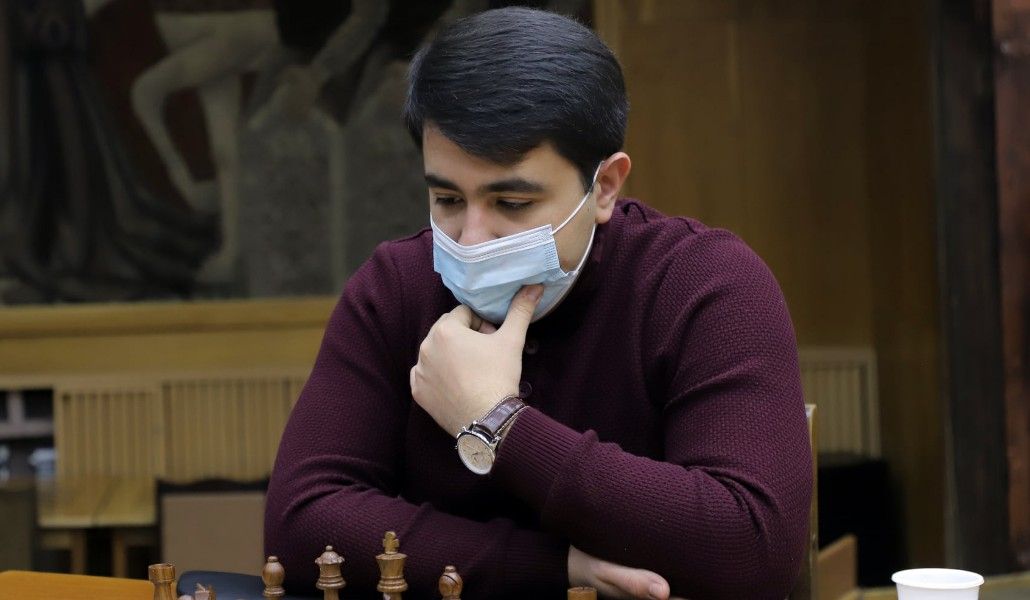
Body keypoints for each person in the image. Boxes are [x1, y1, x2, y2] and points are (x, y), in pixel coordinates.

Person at [265, 7, 811, 599]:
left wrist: (498, 422)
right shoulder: (394, 287)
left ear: (604, 187)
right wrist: (552, 567)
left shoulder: (703, 284)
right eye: (448, 198)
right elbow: (302, 523)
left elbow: (754, 550)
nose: (472, 238)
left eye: (512, 203)